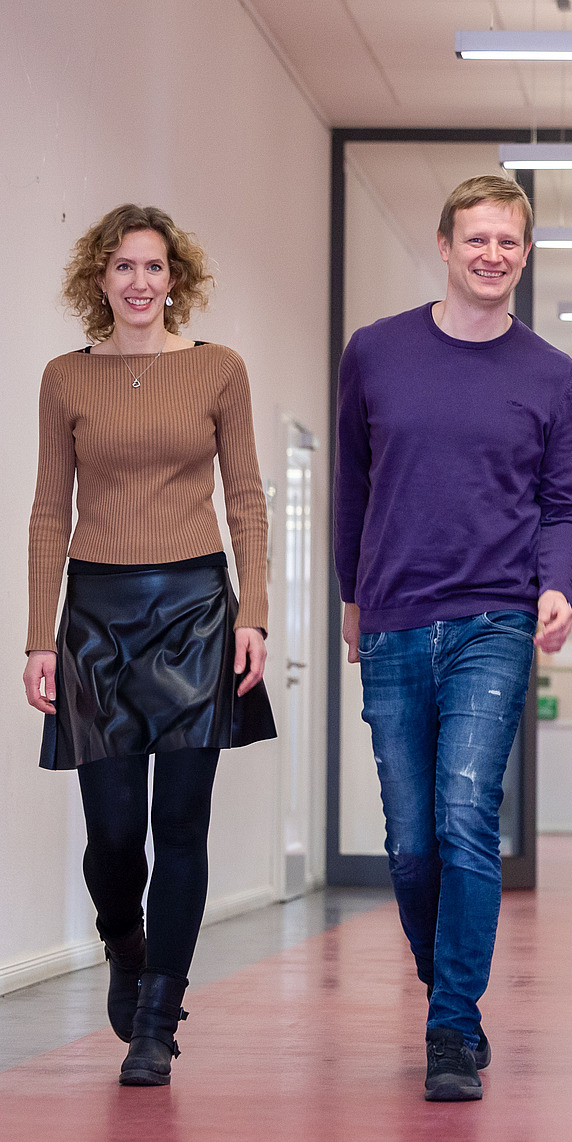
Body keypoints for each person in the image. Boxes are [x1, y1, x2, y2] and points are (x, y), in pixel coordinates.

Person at [335, 175, 572, 1101]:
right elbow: (353, 489)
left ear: (524, 257)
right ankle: (446, 988)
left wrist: (558, 585)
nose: (493, 256)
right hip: (397, 618)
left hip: (495, 614)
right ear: (444, 245)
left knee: (463, 816)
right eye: (477, 239)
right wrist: (350, 598)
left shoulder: (552, 376)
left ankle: (452, 1027)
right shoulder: (376, 353)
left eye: (510, 244)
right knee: (410, 842)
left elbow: (568, 505)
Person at [24, 204, 276, 1087]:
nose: (140, 282)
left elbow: (246, 495)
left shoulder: (218, 371)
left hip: (197, 609)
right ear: (100, 280)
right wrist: (36, 638)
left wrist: (254, 615)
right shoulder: (65, 378)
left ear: (177, 279)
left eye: (155, 267)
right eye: (124, 267)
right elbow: (49, 509)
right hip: (95, 612)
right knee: (115, 832)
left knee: (181, 823)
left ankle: (158, 1020)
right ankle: (123, 944)